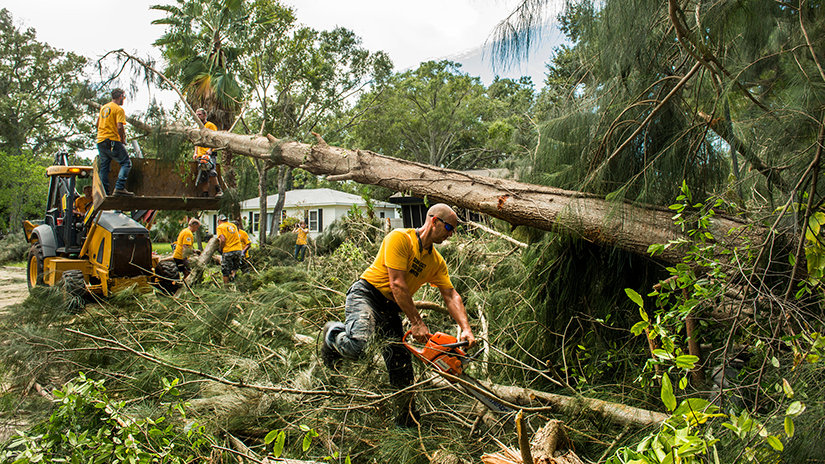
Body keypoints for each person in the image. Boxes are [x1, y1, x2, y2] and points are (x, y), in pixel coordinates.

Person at [320, 203, 475, 427]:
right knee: (359, 346)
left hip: (391, 307)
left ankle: (406, 422)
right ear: (434, 221)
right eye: (449, 227)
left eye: (454, 230)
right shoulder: (400, 238)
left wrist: (466, 329)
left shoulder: (436, 262)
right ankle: (332, 333)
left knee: (401, 367)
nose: (451, 234)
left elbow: (451, 295)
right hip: (367, 295)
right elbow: (397, 284)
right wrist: (417, 322)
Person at [96, 88, 133, 196]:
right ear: (121, 96)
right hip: (112, 140)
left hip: (101, 140)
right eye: (124, 97)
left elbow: (97, 124)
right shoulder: (118, 109)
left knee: (104, 166)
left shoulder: (104, 108)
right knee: (126, 163)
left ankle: (104, 193)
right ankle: (119, 187)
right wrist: (122, 139)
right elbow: (120, 126)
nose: (124, 100)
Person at [193, 108, 222, 197]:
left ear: (205, 115)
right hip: (201, 154)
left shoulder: (210, 125)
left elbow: (215, 139)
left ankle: (218, 190)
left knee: (211, 171)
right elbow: (196, 142)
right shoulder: (198, 127)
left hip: (209, 154)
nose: (198, 116)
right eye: (196, 115)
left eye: (199, 114)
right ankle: (205, 194)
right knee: (203, 175)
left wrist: (210, 149)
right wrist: (195, 153)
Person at [216, 215, 243, 284]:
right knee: (235, 267)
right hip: (238, 249)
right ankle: (233, 277)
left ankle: (226, 287)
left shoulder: (220, 227)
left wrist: (220, 248)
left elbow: (222, 239)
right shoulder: (233, 225)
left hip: (228, 250)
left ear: (219, 221)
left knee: (225, 270)